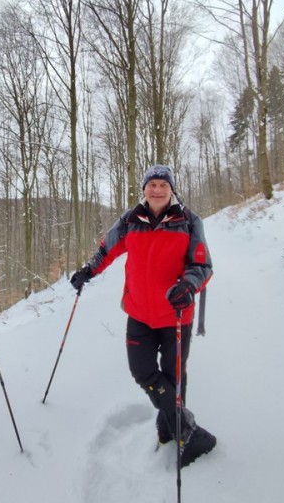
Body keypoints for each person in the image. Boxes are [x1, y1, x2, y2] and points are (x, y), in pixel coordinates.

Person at [70, 164, 216, 465]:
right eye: (152, 185)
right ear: (144, 189)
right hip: (139, 314)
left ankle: (170, 431)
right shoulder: (131, 219)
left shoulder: (189, 221)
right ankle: (188, 430)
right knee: (143, 372)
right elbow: (107, 250)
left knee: (174, 377)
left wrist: (188, 285)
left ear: (172, 189)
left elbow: (202, 265)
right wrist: (88, 271)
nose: (157, 190)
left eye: (163, 185)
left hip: (176, 316)